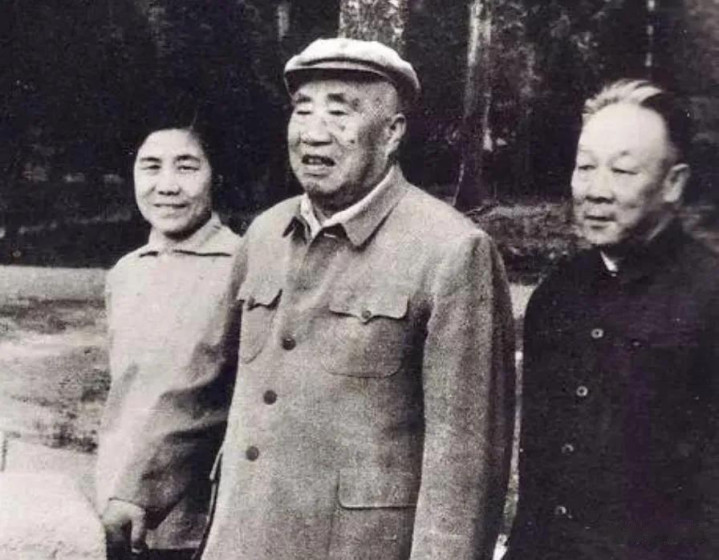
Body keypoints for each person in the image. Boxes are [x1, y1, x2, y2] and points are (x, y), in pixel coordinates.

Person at [199, 38, 516, 560]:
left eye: (340, 110)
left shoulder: (452, 250)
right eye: (303, 110)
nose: (313, 132)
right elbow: (214, 392)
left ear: (392, 133)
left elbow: (464, 465)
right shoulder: (264, 233)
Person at [505, 79, 719, 560]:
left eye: (622, 171)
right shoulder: (557, 295)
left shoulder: (709, 299)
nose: (596, 191)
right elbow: (539, 478)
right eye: (585, 167)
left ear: (673, 183)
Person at [96, 116, 243, 560]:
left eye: (186, 167)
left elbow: (218, 399)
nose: (166, 186)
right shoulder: (126, 272)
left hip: (197, 521)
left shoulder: (242, 265)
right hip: (114, 509)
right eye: (150, 166)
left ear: (216, 176)